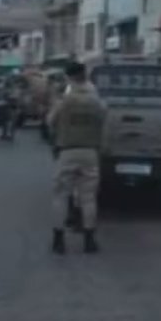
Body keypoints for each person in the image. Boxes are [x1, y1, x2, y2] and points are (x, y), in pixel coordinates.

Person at [47, 61, 107, 255]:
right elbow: (104, 120)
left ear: (69, 77)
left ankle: (58, 241)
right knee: (88, 197)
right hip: (90, 151)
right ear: (85, 76)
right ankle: (89, 240)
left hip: (67, 150)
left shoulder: (65, 101)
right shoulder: (96, 101)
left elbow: (50, 121)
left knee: (61, 195)